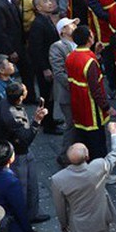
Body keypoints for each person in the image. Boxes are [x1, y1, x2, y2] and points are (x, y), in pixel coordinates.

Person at [51, 121, 116, 232]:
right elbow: (115, 153)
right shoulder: (99, 166)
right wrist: (113, 132)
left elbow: (60, 207)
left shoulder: (58, 179)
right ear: (87, 156)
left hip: (79, 225)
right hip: (101, 218)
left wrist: (63, 224)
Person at [0, 82, 50, 224]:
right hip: (19, 154)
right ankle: (22, 219)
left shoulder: (5, 102)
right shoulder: (13, 117)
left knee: (32, 184)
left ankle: (32, 213)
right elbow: (26, 139)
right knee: (22, 188)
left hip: (20, 150)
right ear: (20, 98)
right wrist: (37, 121)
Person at [66, 25, 116, 160]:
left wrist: (97, 54)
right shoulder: (90, 61)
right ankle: (102, 171)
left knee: (83, 137)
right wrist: (107, 107)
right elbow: (96, 90)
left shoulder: (70, 56)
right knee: (98, 141)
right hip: (91, 108)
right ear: (89, 38)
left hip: (78, 105)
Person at [0, 0, 36, 105]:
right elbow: (1, 32)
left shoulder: (11, 0)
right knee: (10, 75)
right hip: (11, 49)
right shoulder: (0, 5)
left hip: (19, 45)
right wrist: (11, 51)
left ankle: (29, 98)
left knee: (28, 71)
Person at [28, 0, 62, 134]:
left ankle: (49, 119)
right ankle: (48, 125)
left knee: (49, 95)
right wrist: (45, 68)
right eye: (45, 2)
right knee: (46, 96)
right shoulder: (38, 24)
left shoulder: (46, 19)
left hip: (48, 63)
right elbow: (36, 49)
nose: (49, 3)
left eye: (49, 0)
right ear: (38, 7)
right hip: (44, 66)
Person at [49, 18, 80, 166]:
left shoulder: (77, 43)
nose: (74, 26)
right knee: (72, 124)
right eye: (70, 25)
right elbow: (59, 72)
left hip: (78, 92)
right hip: (68, 94)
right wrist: (74, 85)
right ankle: (64, 156)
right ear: (62, 31)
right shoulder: (57, 47)